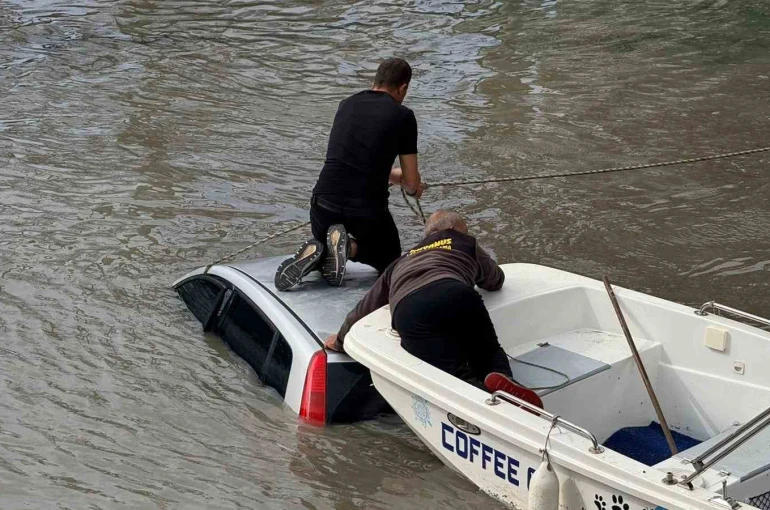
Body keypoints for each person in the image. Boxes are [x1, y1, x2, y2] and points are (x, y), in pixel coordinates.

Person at [274, 57, 426, 292]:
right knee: (389, 257)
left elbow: (354, 161)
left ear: (375, 80)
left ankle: (324, 250)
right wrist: (414, 187)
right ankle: (348, 249)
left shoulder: (346, 104)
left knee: (326, 240)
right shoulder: (403, 116)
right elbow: (411, 183)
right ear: (403, 87)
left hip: (323, 204)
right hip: (365, 212)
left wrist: (392, 176)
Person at [323, 210, 516, 390]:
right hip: (457, 292)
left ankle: (479, 395)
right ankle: (504, 379)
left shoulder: (402, 260)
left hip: (411, 307)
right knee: (488, 350)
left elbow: (366, 306)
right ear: (455, 230)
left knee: (451, 374)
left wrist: (340, 341)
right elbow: (495, 280)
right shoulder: (465, 243)